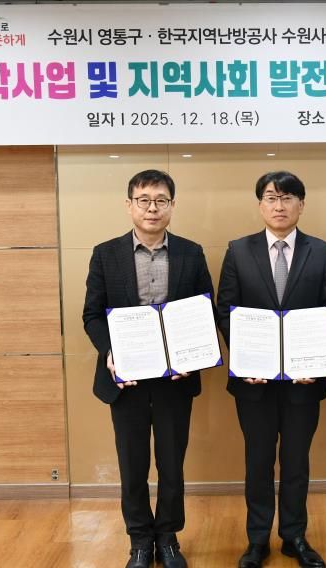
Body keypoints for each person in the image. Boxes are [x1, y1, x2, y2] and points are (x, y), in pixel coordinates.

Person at [83, 170, 214, 568]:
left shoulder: (191, 253)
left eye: (160, 200)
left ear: (172, 205)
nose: (152, 208)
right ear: (129, 205)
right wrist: (109, 351)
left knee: (172, 464)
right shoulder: (105, 254)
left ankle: (168, 538)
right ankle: (140, 540)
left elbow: (204, 310)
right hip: (127, 380)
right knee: (133, 464)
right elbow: (92, 315)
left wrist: (192, 356)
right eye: (144, 200)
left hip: (176, 380)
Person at [217, 171, 326, 568]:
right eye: (271, 197)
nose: (279, 205)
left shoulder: (321, 251)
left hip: (303, 382)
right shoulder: (239, 250)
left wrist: (318, 361)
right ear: (260, 205)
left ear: (301, 205)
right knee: (257, 462)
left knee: (296, 462)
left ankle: (294, 536)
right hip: (253, 382)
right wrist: (244, 360)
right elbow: (226, 311)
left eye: (288, 198)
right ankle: (257, 540)